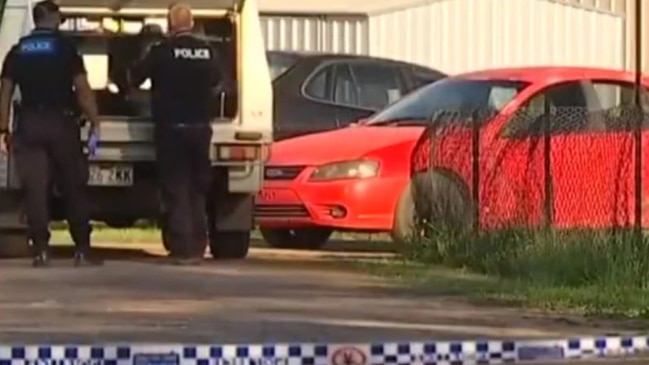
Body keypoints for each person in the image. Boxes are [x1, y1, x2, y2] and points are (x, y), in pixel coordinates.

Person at [0, 0, 102, 267]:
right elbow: (82, 89)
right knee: (72, 186)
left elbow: (6, 93)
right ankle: (82, 248)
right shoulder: (66, 49)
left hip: (30, 124)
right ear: (52, 18)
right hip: (61, 125)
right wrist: (94, 121)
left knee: (35, 189)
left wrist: (3, 129)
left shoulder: (18, 51)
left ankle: (41, 250)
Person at [129, 2, 223, 264]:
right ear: (191, 24)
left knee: (176, 188)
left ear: (170, 25)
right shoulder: (207, 52)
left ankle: (183, 247)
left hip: (172, 128)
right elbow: (218, 82)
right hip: (200, 128)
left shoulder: (161, 51)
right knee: (197, 189)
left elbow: (135, 78)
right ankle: (198, 245)